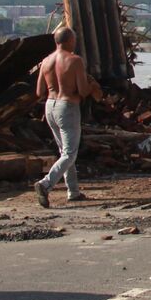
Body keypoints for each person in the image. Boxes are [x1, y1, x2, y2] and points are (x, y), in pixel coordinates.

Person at [33, 27, 101, 207]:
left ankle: (73, 192)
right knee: (70, 153)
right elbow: (83, 90)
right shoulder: (75, 60)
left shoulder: (46, 61)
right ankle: (45, 184)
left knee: (65, 152)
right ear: (70, 41)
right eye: (75, 40)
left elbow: (39, 92)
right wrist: (93, 86)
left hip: (50, 106)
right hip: (67, 106)